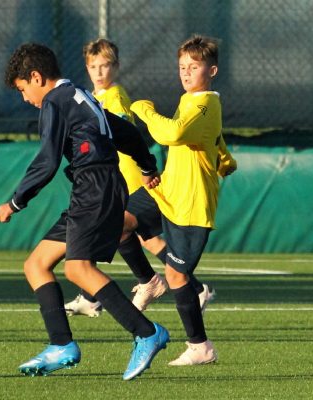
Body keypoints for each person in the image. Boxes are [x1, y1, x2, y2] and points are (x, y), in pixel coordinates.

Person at [0, 42, 169, 380]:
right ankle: (61, 345)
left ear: (36, 76)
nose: (24, 98)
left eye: (22, 89)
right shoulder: (80, 97)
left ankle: (147, 332)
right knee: (36, 264)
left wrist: (15, 201)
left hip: (96, 187)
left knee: (78, 269)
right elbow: (126, 132)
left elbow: (46, 161)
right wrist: (147, 165)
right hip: (95, 187)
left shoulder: (54, 103)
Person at [126, 35, 237, 365]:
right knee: (116, 220)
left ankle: (200, 346)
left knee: (177, 277)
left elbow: (171, 134)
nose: (186, 73)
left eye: (194, 66)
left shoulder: (204, 104)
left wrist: (145, 109)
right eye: (182, 67)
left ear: (212, 70)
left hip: (190, 204)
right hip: (166, 191)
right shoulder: (192, 101)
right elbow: (211, 138)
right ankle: (148, 282)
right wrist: (224, 156)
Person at [65, 38, 168, 317]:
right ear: (86, 68)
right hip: (113, 174)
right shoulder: (93, 96)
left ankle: (188, 287)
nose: (99, 72)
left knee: (115, 229)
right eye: (93, 66)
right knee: (138, 236)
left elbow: (119, 132)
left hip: (128, 174)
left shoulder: (115, 95)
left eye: (106, 65)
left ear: (117, 67)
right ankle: (91, 295)